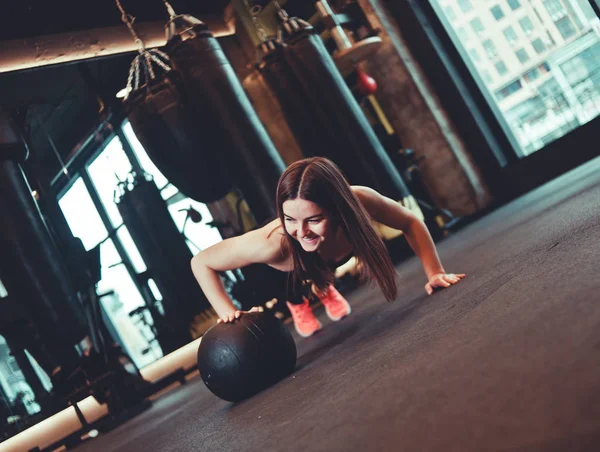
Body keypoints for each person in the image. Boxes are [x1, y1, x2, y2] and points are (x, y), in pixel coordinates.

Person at [191, 157, 465, 337]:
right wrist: (227, 313)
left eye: (314, 219)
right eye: (290, 219)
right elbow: (201, 262)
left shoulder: (359, 200)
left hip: (319, 260)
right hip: (281, 272)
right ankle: (300, 298)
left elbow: (410, 222)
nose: (301, 230)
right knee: (291, 273)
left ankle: (321, 285)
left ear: (337, 209)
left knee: (314, 260)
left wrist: (435, 272)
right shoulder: (274, 242)